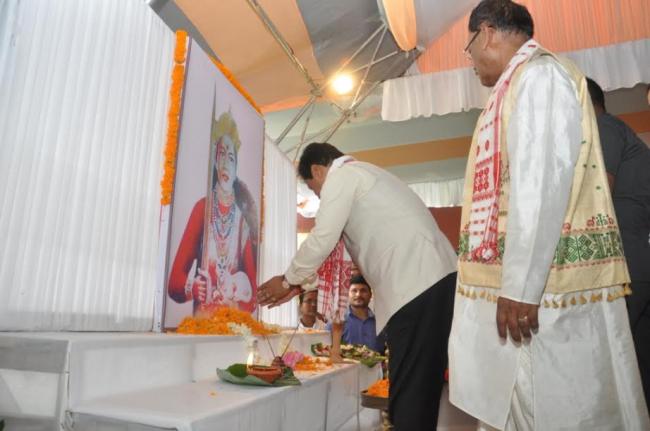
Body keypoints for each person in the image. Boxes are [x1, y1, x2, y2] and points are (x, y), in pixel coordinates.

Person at [448, 1, 649, 430]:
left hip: (548, 291)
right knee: (521, 401)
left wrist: (521, 286)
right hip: (533, 286)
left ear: (486, 33)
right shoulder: (516, 85)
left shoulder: (540, 76)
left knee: (557, 405)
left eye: (469, 49)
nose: (471, 62)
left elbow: (540, 181)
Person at [258, 142, 458, 429]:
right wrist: (297, 285)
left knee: (410, 390)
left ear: (318, 170)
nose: (319, 197)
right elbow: (333, 256)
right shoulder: (366, 175)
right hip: (432, 280)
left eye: (315, 190)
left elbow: (322, 238)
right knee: (420, 385)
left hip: (416, 283)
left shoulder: (343, 177)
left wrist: (288, 279)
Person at [587, 77, 650, 412]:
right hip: (636, 258)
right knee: (639, 364)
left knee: (614, 367)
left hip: (623, 264)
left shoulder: (603, 127)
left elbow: (597, 193)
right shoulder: (622, 132)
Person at [168, 111, 258, 314]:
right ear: (216, 163)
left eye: (231, 158)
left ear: (236, 169)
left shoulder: (242, 222)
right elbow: (174, 282)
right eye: (221, 155)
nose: (226, 163)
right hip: (201, 323)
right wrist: (193, 288)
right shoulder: (202, 209)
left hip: (232, 324)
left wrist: (234, 299)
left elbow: (253, 297)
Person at [328, 275, 386, 353]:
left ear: (370, 295)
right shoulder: (337, 320)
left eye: (363, 291)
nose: (358, 294)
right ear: (348, 294)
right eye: (354, 291)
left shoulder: (380, 323)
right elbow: (326, 349)